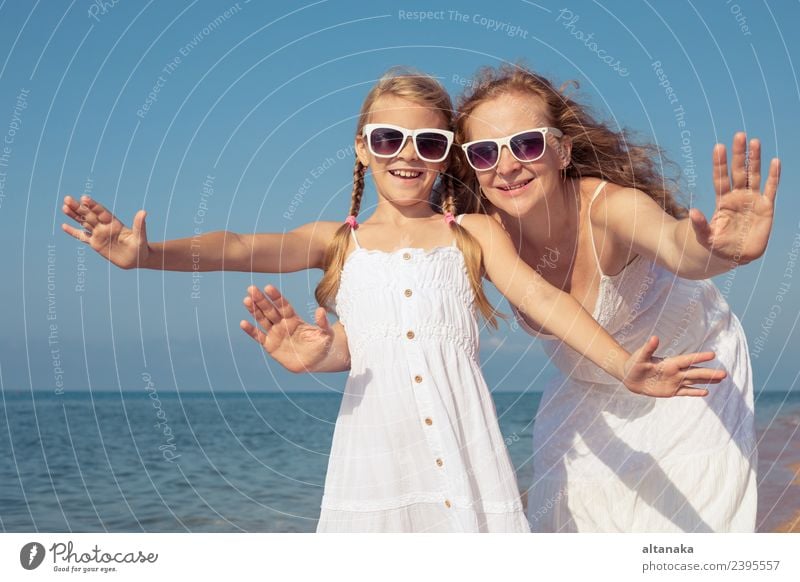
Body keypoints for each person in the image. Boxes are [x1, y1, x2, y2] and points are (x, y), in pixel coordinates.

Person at [248, 65, 780, 532]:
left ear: (562, 149)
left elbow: (679, 247)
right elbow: (402, 322)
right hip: (591, 382)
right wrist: (330, 353)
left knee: (685, 527)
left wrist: (725, 252)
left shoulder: (608, 207)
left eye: (527, 144)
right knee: (566, 531)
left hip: (690, 371)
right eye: (485, 152)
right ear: (468, 162)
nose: (507, 166)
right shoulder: (478, 234)